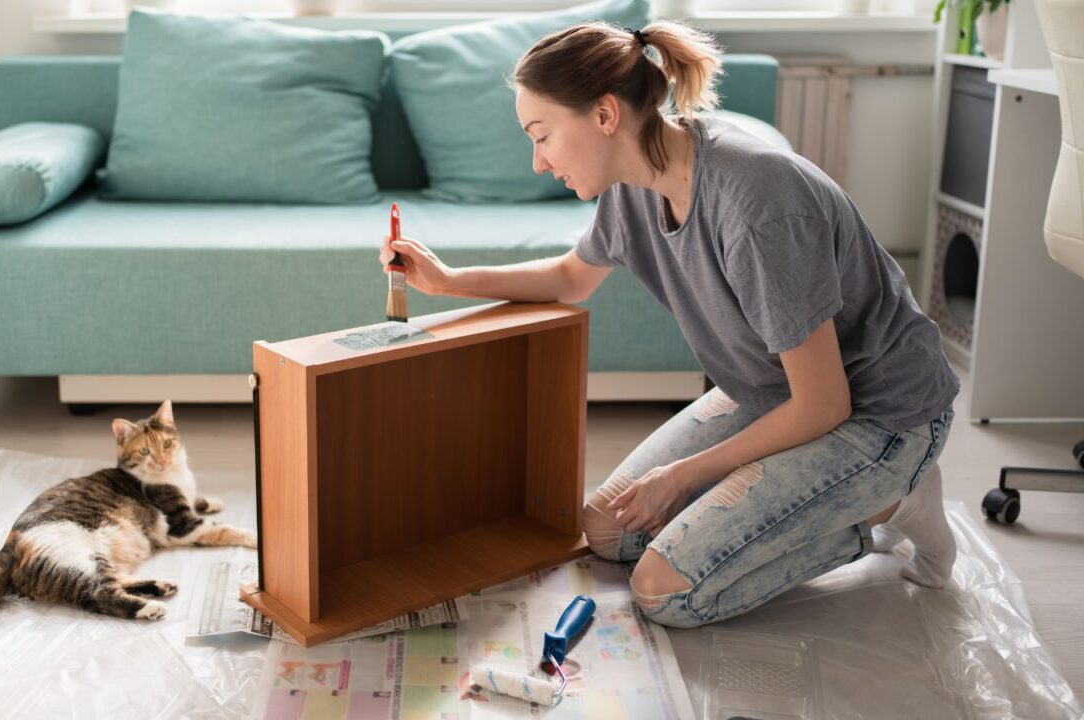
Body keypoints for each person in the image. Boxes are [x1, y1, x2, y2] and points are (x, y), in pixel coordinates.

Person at [377, 20, 959, 628]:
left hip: (882, 414)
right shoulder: (634, 184)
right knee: (607, 529)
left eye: (542, 136)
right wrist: (446, 280)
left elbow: (824, 404)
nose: (538, 163)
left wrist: (681, 477)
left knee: (666, 593)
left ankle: (895, 500)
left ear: (605, 115)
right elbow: (572, 278)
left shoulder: (756, 202)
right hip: (772, 392)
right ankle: (806, 498)